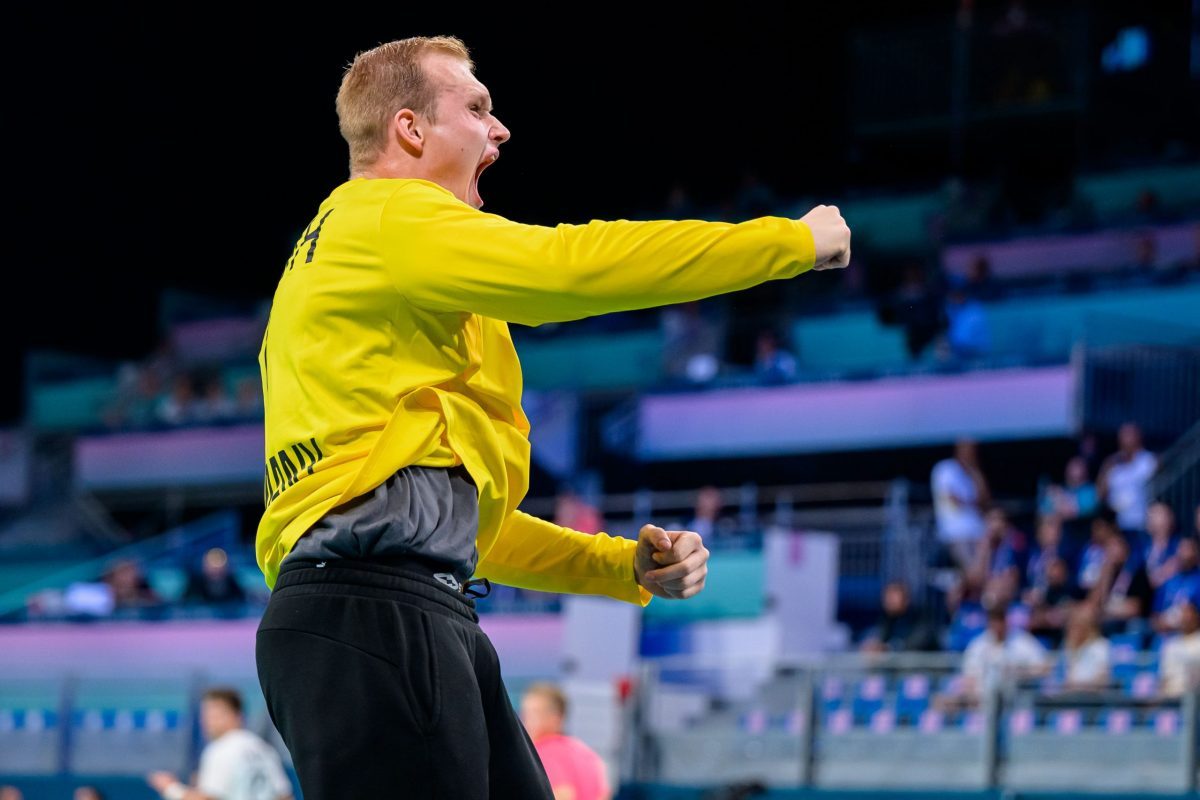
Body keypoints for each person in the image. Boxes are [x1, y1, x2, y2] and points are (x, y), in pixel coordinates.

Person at [253, 36, 851, 799]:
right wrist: (790, 242)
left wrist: (618, 565)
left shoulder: (375, 282)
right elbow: (569, 267)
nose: (499, 130)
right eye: (475, 108)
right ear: (409, 130)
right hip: (373, 615)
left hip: (396, 609)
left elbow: (473, 529)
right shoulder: (386, 218)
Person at [147, 688, 292, 800]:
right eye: (205, 716)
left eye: (214, 715)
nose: (206, 722)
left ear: (236, 716)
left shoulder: (220, 750)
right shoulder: (264, 749)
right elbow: (285, 796)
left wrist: (170, 787)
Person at [520, 683, 611, 800]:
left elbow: (563, 794)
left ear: (556, 717)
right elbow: (603, 794)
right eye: (525, 712)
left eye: (534, 713)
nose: (525, 720)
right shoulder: (586, 753)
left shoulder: (540, 752)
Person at [931, 439, 992, 567]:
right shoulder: (946, 468)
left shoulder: (971, 474)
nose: (970, 453)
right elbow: (954, 499)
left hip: (978, 533)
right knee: (973, 572)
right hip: (957, 534)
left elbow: (985, 501)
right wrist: (973, 504)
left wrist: (976, 473)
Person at [1097, 422, 1157, 535]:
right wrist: (1106, 467)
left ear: (1139, 436)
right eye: (1122, 435)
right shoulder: (1112, 463)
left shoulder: (1148, 460)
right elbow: (1101, 494)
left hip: (1142, 524)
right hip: (1117, 525)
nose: (1125, 439)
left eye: (1129, 434)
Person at [859, 581, 938, 653]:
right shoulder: (887, 619)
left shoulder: (921, 617)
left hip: (924, 665)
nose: (888, 601)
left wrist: (888, 648)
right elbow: (881, 639)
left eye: (893, 597)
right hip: (898, 665)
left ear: (906, 600)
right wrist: (874, 645)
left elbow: (915, 643)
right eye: (886, 597)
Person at [1059, 602, 1111, 692]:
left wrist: (1081, 687)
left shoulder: (1101, 646)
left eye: (1077, 626)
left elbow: (1103, 677)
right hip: (1070, 694)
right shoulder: (1069, 646)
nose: (1072, 630)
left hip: (1091, 696)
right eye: (1071, 626)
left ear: (1087, 627)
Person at [1161, 599, 1200, 698]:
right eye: (1183, 615)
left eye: (1188, 614)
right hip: (1171, 695)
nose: (1185, 619)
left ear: (1196, 616)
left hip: (1194, 695)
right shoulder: (1171, 644)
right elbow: (1165, 676)